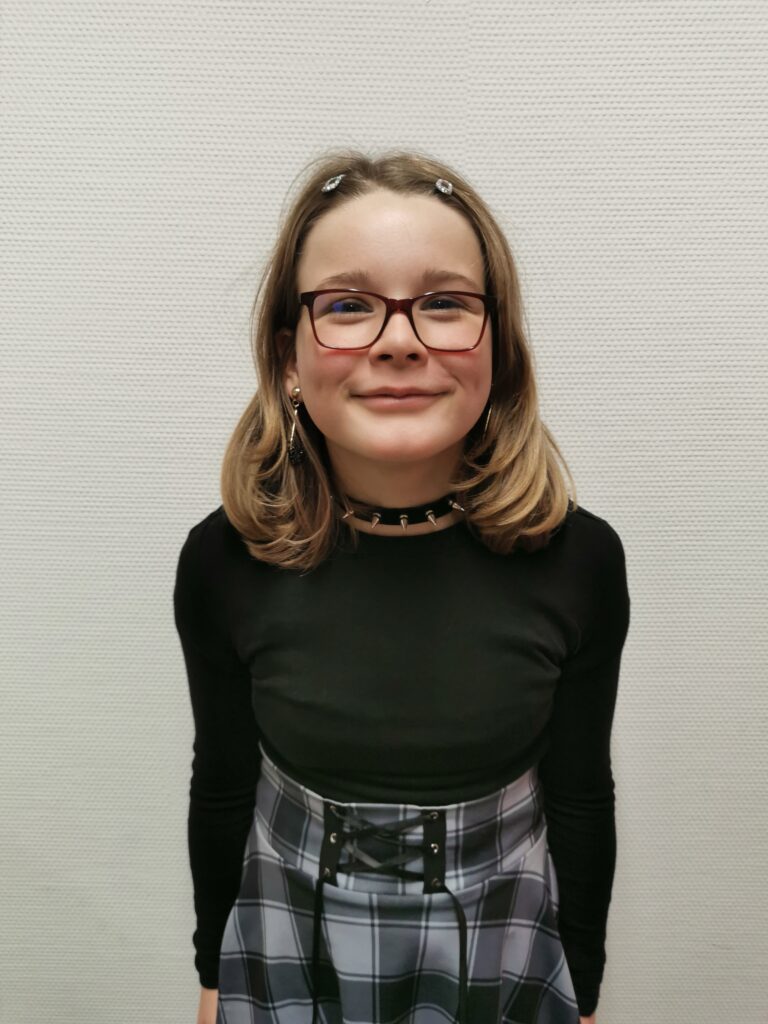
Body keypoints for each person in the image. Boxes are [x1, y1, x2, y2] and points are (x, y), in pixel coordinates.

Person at [173, 149, 631, 1024]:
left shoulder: (580, 562)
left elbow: (580, 793)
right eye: (347, 306)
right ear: (288, 357)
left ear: (499, 349)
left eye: (445, 304)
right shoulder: (223, 562)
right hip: (288, 931)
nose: (398, 340)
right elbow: (223, 782)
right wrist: (211, 974)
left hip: (502, 937)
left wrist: (585, 990)